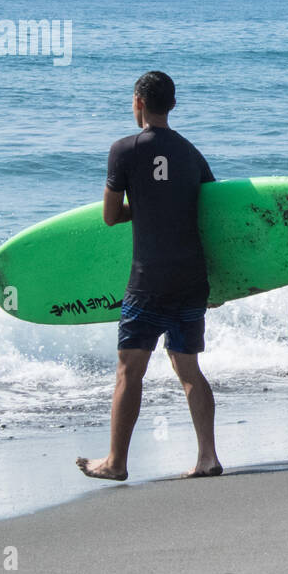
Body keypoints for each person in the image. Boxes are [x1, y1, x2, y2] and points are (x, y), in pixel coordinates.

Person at [77, 71, 222, 480]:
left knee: (129, 370)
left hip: (148, 281)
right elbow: (211, 213)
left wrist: (142, 207)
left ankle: (116, 462)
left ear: (138, 101)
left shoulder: (123, 150)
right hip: (192, 279)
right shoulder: (192, 153)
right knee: (188, 368)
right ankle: (207, 457)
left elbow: (109, 217)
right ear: (171, 105)